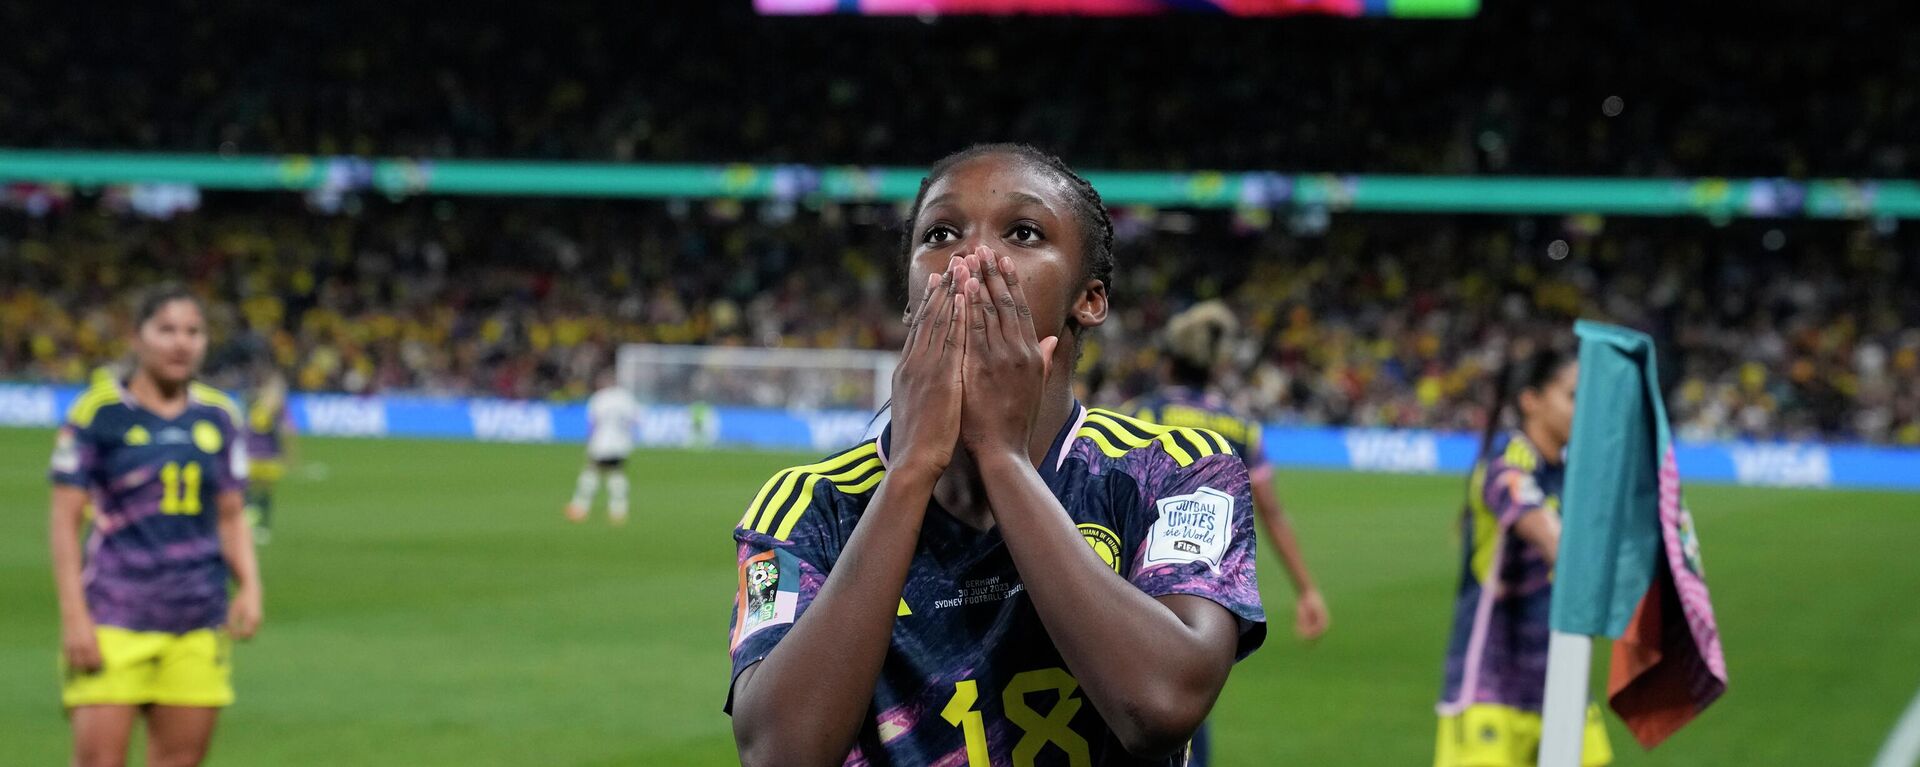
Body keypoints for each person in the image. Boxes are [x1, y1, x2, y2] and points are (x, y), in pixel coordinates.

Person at [726, 144, 1266, 767]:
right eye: (941, 232)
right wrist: (908, 472)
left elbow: (1162, 705)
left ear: (1088, 299)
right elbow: (778, 755)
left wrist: (1001, 459)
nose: (971, 257)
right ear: (909, 295)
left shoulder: (1172, 471)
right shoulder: (809, 506)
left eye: (1024, 232)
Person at [49, 284, 264, 767]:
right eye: (166, 330)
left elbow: (231, 514)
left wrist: (250, 585)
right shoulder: (98, 414)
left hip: (196, 621)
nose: (181, 343)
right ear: (137, 337)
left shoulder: (220, 416)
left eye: (193, 331)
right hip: (112, 616)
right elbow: (64, 522)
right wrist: (74, 616)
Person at [1120, 300, 1330, 767]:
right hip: (1205, 596)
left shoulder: (1134, 413)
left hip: (1133, 583)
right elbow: (1271, 513)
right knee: (1189, 711)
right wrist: (1307, 590)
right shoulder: (1238, 426)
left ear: (1168, 361)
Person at [1435, 345, 1612, 767]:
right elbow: (1542, 527)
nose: (1584, 408)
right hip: (1490, 691)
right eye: (1572, 395)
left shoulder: (1574, 473)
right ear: (1531, 400)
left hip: (1565, 684)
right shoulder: (1506, 463)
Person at [567, 370, 642, 525]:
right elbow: (635, 421)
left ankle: (580, 507)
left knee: (592, 470)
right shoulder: (625, 397)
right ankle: (619, 510)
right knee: (616, 472)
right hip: (621, 442)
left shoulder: (599, 398)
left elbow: (592, 423)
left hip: (601, 442)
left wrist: (588, 441)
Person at [243, 367, 295, 544]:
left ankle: (262, 525)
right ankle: (253, 521)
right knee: (249, 490)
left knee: (264, 491)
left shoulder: (275, 407)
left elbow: (284, 431)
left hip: (266, 456)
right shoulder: (254, 401)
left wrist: (286, 453)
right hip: (253, 454)